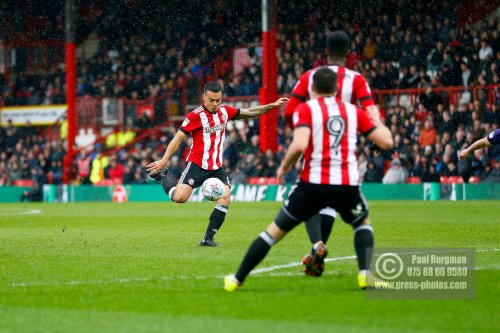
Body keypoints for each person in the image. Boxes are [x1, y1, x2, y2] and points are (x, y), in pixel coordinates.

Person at [224, 68, 393, 292]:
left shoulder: (306, 109)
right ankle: (365, 275)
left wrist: (284, 167)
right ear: (338, 89)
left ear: (312, 89)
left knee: (273, 233)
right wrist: (376, 121)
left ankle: (236, 280)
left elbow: (300, 144)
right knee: (362, 224)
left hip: (312, 185)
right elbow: (386, 143)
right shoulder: (353, 111)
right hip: (346, 185)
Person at [284, 30, 381, 276]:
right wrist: (374, 131)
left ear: (325, 52)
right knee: (336, 207)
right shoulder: (356, 79)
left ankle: (317, 246)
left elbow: (289, 111)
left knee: (311, 200)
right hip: (344, 150)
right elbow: (371, 113)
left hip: (315, 146)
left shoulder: (310, 76)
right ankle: (339, 261)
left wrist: (302, 129)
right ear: (349, 53)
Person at [146, 81, 288, 247]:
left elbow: (250, 112)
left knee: (225, 198)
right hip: (197, 165)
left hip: (216, 167)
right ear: (204, 98)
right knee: (179, 198)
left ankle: (207, 239)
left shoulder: (225, 111)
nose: (215, 104)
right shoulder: (195, 116)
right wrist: (164, 160)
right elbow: (177, 138)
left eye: (218, 100)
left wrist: (272, 105)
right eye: (211, 100)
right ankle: (161, 176)